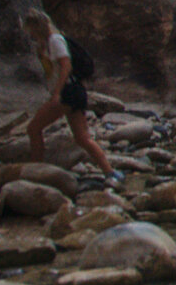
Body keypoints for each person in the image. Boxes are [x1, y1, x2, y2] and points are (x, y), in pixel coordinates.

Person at [21, 10, 120, 185]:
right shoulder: (47, 43)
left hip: (68, 93)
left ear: (36, 27)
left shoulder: (55, 40)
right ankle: (110, 172)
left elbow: (66, 66)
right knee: (82, 138)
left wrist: (57, 93)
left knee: (33, 129)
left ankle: (36, 170)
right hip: (74, 93)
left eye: (30, 30)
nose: (30, 34)